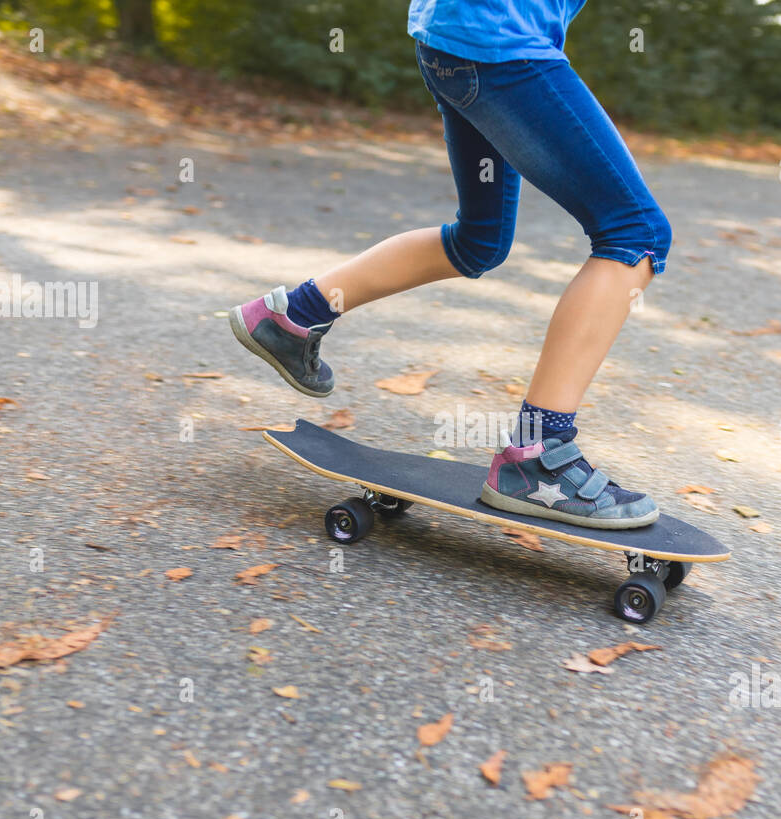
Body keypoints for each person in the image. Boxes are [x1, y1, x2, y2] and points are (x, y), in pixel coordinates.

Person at [230, 0, 671, 529]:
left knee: (478, 241)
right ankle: (538, 458)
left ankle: (293, 316)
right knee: (636, 233)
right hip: (499, 46)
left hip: (456, 42)